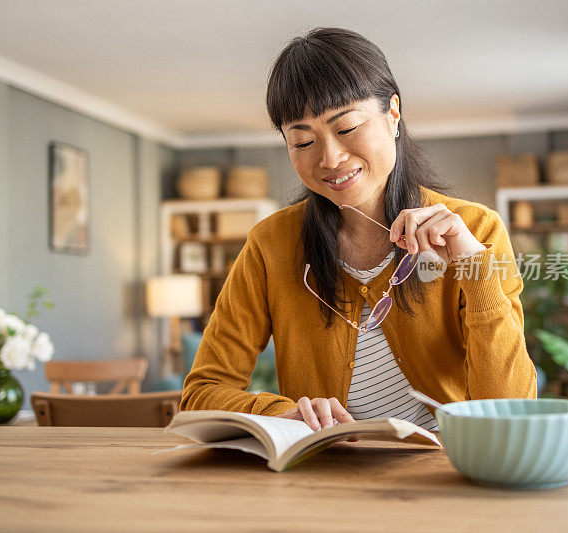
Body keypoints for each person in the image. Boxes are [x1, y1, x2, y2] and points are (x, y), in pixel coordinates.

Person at [180, 27, 536, 432]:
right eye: (302, 142)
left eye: (346, 128)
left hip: (445, 471)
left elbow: (512, 414)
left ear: (393, 114)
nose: (330, 158)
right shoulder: (270, 245)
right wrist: (280, 413)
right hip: (326, 476)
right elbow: (201, 393)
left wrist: (474, 267)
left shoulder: (477, 230)